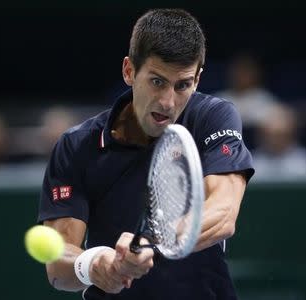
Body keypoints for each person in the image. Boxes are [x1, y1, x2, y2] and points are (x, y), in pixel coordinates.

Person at [38, 9, 254, 300]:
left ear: (198, 80)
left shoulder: (212, 117)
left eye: (182, 85)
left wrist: (151, 240)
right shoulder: (76, 146)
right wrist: (97, 264)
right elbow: (57, 264)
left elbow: (223, 214)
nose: (167, 102)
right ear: (129, 71)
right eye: (157, 81)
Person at [251, 106, 306, 180]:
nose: (275, 141)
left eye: (280, 135)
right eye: (270, 135)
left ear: (292, 133)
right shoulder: (250, 164)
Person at [217, 53, 282, 128]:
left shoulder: (265, 98)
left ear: (256, 73)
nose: (241, 75)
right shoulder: (219, 99)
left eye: (246, 70)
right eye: (238, 70)